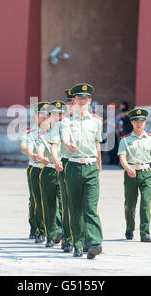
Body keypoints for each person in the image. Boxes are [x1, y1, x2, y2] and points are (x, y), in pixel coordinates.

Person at [61, 83, 103, 259]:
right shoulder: (66, 120)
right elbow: (64, 137)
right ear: (74, 100)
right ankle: (77, 243)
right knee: (75, 208)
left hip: (91, 166)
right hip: (73, 166)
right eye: (79, 98)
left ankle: (94, 243)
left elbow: (97, 143)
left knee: (90, 207)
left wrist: (100, 164)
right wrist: (67, 144)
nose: (82, 101)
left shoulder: (97, 121)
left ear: (90, 100)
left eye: (85, 98)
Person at [118, 108, 151, 242]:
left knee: (145, 202)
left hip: (146, 173)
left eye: (142, 121)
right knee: (130, 204)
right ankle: (129, 228)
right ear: (132, 122)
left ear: (145, 122)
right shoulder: (125, 140)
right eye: (136, 121)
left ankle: (145, 233)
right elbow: (122, 157)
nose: (139, 124)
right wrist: (127, 168)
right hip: (130, 173)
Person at [36, 101, 66, 248]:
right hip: (48, 172)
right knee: (49, 206)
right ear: (49, 116)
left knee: (64, 204)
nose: (58, 117)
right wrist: (42, 158)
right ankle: (50, 235)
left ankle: (62, 232)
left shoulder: (68, 134)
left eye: (61, 114)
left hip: (64, 171)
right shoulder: (43, 136)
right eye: (55, 114)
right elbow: (40, 152)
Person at [50, 89, 75, 253]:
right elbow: (55, 145)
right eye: (70, 103)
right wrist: (56, 160)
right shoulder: (60, 123)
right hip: (65, 163)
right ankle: (68, 236)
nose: (72, 106)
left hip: (84, 164)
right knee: (66, 203)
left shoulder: (88, 121)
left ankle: (85, 237)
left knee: (84, 205)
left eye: (75, 102)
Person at [26, 102, 50, 244]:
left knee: (53, 202)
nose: (46, 117)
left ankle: (52, 230)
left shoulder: (56, 130)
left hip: (51, 168)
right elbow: (27, 147)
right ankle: (38, 229)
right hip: (35, 168)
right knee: (36, 200)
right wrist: (32, 154)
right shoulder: (31, 132)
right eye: (43, 114)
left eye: (48, 114)